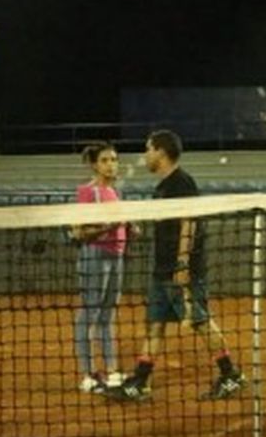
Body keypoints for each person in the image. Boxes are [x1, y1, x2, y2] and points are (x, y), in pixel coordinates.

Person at [104, 130, 244, 403]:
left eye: (148, 149)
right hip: (162, 270)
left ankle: (230, 375)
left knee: (201, 322)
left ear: (161, 151)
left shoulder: (181, 183)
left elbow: (188, 223)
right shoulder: (163, 187)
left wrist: (182, 263)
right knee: (155, 325)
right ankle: (140, 382)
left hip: (179, 270)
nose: (146, 155)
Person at [71, 142, 129, 394]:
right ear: (95, 165)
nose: (111, 165)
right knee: (89, 314)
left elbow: (119, 225)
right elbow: (79, 232)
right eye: (105, 160)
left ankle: (112, 371)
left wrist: (129, 228)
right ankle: (88, 375)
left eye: (114, 159)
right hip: (95, 256)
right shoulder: (87, 192)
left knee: (107, 317)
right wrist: (110, 226)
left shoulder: (114, 192)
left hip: (117, 256)